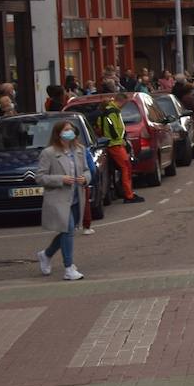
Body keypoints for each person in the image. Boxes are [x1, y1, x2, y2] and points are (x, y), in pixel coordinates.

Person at [35, 121, 90, 281]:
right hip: (58, 198)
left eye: (71, 130)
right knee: (68, 230)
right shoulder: (49, 153)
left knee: (68, 231)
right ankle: (68, 267)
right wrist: (61, 179)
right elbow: (40, 177)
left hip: (75, 197)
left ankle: (46, 254)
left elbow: (87, 170)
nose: (69, 133)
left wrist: (84, 178)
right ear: (58, 133)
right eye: (66, 130)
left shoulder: (79, 150)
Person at [95, 97, 144, 204]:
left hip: (114, 143)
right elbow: (114, 129)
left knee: (125, 168)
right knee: (126, 168)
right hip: (115, 144)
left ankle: (127, 193)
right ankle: (128, 195)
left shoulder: (107, 113)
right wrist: (120, 139)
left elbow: (102, 129)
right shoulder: (112, 112)